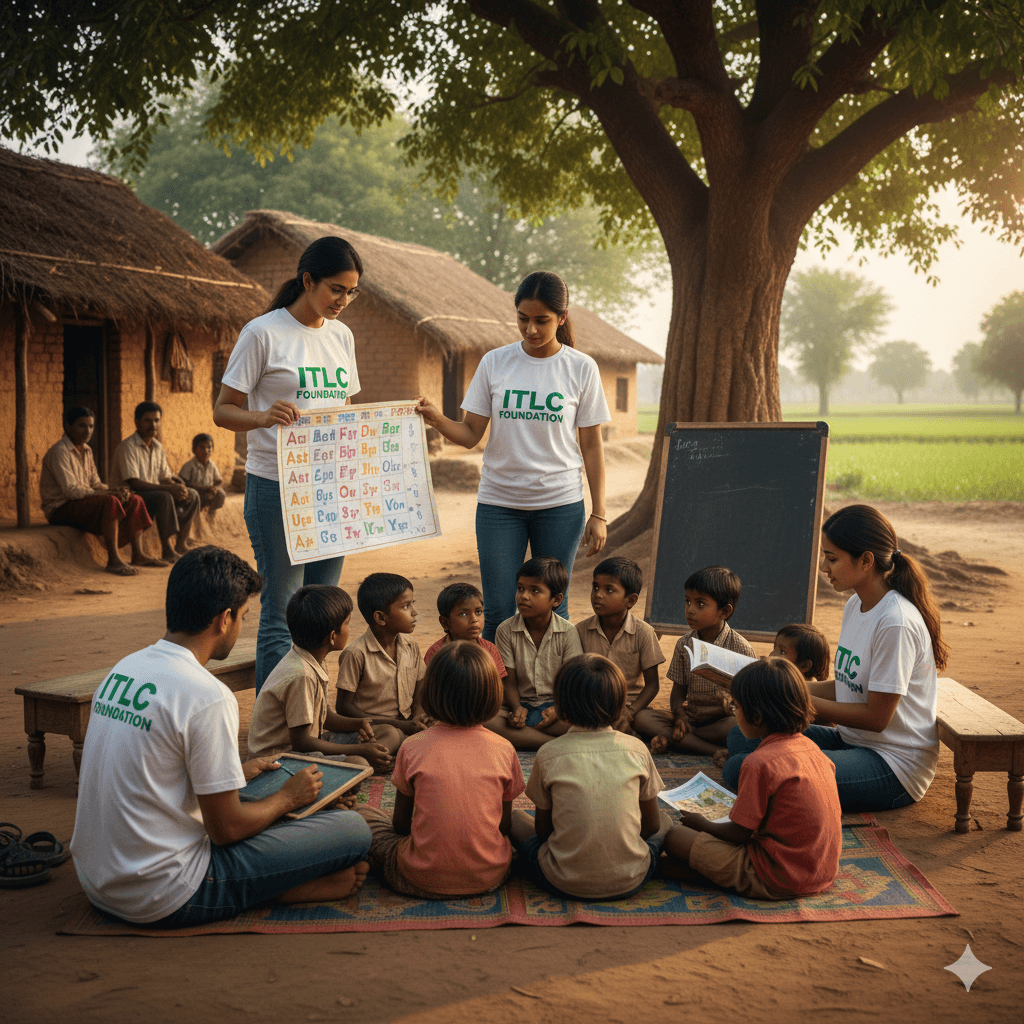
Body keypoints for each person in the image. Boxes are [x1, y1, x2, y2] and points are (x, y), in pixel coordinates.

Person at [69, 546, 372, 927]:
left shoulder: (124, 670)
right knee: (353, 831)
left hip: (97, 880)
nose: (243, 624)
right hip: (164, 893)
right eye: (244, 616)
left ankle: (270, 878)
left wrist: (239, 772)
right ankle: (276, 888)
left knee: (262, 799)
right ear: (224, 619)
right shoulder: (207, 695)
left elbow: (158, 774)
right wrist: (286, 798)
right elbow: (227, 830)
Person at [416, 271, 610, 641]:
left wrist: (599, 513)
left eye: (542, 321)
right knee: (500, 611)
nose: (531, 329)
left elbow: (592, 446)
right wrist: (437, 418)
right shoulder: (495, 362)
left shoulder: (581, 368)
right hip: (498, 505)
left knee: (555, 607)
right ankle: (498, 694)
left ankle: (552, 693)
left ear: (562, 318)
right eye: (523, 318)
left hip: (560, 504)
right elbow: (471, 434)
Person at [722, 504, 949, 812]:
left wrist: (788, 698)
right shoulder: (856, 605)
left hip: (892, 765)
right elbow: (845, 684)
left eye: (832, 558)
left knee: (742, 769)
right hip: (851, 740)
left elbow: (876, 718)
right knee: (740, 738)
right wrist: (770, 683)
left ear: (866, 560)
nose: (823, 568)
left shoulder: (895, 622)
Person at [213, 236, 363, 691]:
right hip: (278, 487)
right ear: (307, 280)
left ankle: (310, 717)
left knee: (324, 610)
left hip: (332, 488)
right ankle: (275, 731)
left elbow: (347, 408)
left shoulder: (342, 336)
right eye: (335, 289)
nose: (343, 301)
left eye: (352, 292)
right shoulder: (263, 333)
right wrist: (262, 416)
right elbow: (223, 409)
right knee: (283, 612)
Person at [661, 658, 842, 900]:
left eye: (736, 707)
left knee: (674, 838)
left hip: (776, 876)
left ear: (756, 717)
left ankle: (715, 875)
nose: (735, 715)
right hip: (821, 871)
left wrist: (702, 824)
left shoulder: (760, 763)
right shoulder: (814, 750)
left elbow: (739, 835)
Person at [357, 642, 525, 899]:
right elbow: (504, 827)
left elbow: (401, 825)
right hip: (490, 876)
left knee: (362, 815)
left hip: (417, 878)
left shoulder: (412, 746)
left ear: (432, 693)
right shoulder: (504, 749)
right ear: (493, 694)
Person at [510, 654, 671, 901]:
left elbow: (543, 831)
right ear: (620, 706)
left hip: (561, 881)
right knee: (667, 820)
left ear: (560, 708)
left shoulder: (548, 754)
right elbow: (652, 827)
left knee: (516, 818)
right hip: (631, 879)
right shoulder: (637, 749)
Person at [247, 585, 393, 773]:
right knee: (359, 763)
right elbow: (302, 742)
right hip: (279, 760)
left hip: (307, 747)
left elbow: (324, 717)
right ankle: (367, 765)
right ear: (332, 637)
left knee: (388, 732)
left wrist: (358, 724)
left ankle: (370, 764)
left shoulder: (312, 657)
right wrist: (359, 749)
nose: (350, 628)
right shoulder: (301, 675)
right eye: (347, 623)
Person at [633, 566, 755, 758]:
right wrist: (680, 715)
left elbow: (750, 703)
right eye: (688, 602)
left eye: (700, 604)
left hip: (721, 722)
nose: (690, 610)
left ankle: (684, 739)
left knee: (737, 727)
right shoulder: (684, 644)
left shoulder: (741, 648)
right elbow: (677, 693)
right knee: (642, 719)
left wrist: (726, 707)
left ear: (724, 611)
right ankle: (712, 750)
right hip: (691, 718)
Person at [40, 405, 158, 576]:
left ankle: (138, 554)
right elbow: (71, 491)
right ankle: (113, 560)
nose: (88, 431)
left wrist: (117, 490)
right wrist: (109, 494)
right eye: (82, 425)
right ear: (68, 427)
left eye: (91, 426)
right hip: (60, 508)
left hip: (81, 503)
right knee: (110, 501)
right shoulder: (59, 452)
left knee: (134, 499)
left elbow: (95, 483)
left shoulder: (86, 450)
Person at [486, 557, 584, 751]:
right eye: (521, 588)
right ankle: (551, 744)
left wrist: (558, 709)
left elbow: (572, 682)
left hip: (556, 710)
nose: (524, 596)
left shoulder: (568, 632)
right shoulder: (505, 630)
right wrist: (516, 708)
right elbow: (509, 681)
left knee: (586, 719)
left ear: (556, 600)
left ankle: (526, 739)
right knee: (486, 720)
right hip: (519, 706)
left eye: (535, 591)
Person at [335, 573, 428, 757]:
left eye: (413, 603)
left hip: (407, 723)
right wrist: (398, 725)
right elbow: (343, 707)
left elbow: (420, 686)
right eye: (406, 606)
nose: (414, 612)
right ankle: (363, 758)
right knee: (393, 735)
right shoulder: (356, 653)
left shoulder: (411, 645)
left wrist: (418, 714)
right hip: (374, 729)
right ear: (381, 618)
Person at [575, 556, 665, 733]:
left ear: (630, 600)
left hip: (630, 705)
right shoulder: (580, 630)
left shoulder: (644, 632)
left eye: (609, 590)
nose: (598, 595)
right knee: (574, 719)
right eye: (595, 587)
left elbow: (652, 685)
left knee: (645, 721)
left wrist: (630, 712)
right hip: (592, 705)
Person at [111, 401, 200, 564]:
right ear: (137, 422)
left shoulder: (157, 447)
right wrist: (168, 488)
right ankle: (167, 549)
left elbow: (164, 476)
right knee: (164, 496)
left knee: (192, 494)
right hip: (131, 496)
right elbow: (134, 482)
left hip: (153, 492)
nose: (153, 425)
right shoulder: (128, 447)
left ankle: (180, 543)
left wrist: (177, 486)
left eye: (157, 420)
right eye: (148, 420)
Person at [423, 582, 506, 680]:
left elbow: (500, 685)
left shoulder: (490, 649)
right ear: (445, 623)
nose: (474, 619)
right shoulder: (436, 652)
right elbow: (430, 689)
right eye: (463, 614)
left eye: (478, 612)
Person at [178, 433, 227, 519]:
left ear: (212, 449)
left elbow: (218, 481)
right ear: (194, 450)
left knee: (221, 494)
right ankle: (196, 513)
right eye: (201, 447)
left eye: (209, 447)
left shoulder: (212, 465)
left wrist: (214, 489)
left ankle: (211, 511)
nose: (206, 450)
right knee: (194, 497)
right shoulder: (190, 466)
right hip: (195, 493)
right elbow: (183, 482)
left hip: (208, 492)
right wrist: (205, 488)